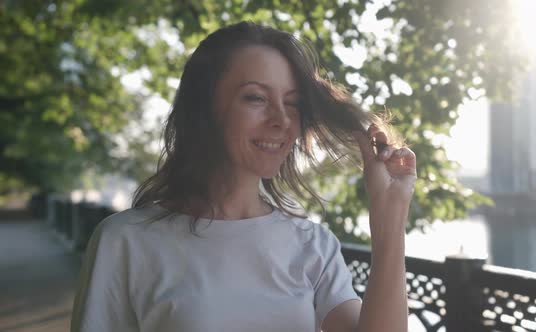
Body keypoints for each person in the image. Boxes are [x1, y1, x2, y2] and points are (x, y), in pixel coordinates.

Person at [71, 21, 416, 332]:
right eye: (256, 98)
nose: (281, 119)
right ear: (204, 109)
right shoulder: (126, 241)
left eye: (292, 103)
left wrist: (390, 217)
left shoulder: (313, 245)